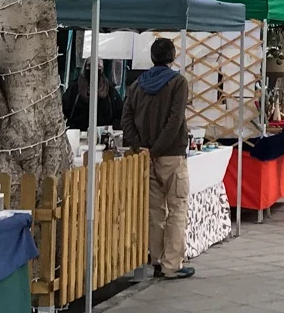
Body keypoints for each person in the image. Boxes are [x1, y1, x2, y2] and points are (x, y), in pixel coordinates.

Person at [123, 38, 193, 279]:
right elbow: (175, 120)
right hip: (171, 154)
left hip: (145, 156)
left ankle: (156, 259)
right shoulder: (178, 83)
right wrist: (157, 149)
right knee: (177, 208)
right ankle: (172, 264)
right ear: (172, 56)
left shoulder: (136, 85)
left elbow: (127, 119)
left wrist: (140, 147)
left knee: (155, 210)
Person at [64, 62, 118, 129]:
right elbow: (64, 109)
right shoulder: (75, 87)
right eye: (90, 66)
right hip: (78, 132)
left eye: (99, 67)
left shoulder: (109, 88)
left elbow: (118, 112)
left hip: (103, 132)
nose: (94, 69)